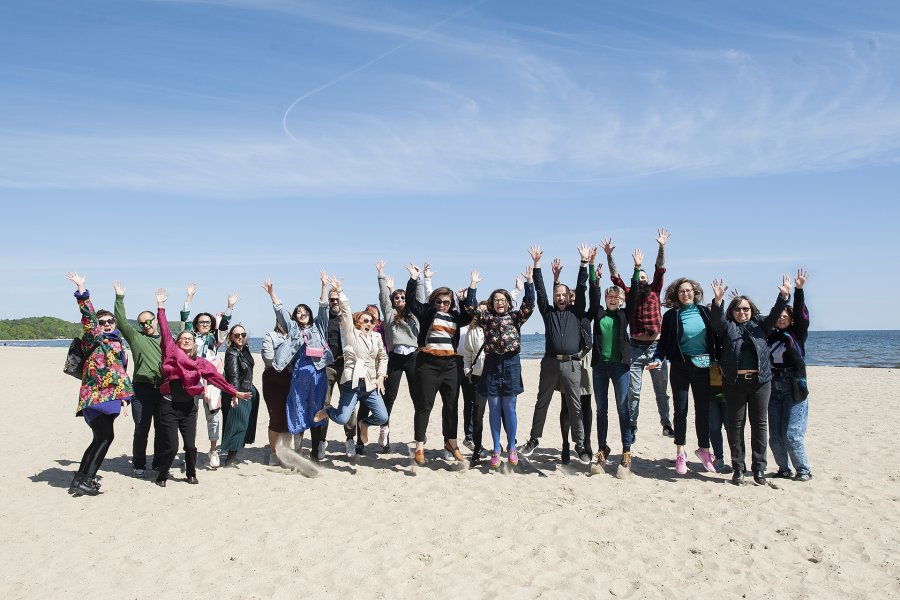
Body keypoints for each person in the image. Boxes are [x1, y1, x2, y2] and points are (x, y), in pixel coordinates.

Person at [154, 289, 249, 487]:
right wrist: (161, 307)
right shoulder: (171, 352)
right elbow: (165, 329)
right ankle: (162, 474)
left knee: (192, 443)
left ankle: (192, 472)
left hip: (189, 405)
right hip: (169, 404)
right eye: (184, 337)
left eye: (190, 338)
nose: (187, 339)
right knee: (172, 446)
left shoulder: (201, 360)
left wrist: (234, 391)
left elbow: (216, 377)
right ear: (178, 341)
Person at [710, 276, 790, 486]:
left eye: (745, 309)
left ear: (751, 310)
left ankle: (759, 469)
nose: (742, 312)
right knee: (735, 426)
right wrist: (717, 301)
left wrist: (783, 296)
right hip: (734, 383)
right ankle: (738, 468)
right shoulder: (727, 327)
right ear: (732, 311)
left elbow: (774, 314)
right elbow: (716, 322)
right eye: (738, 309)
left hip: (760, 382)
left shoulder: (762, 325)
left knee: (759, 425)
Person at [520, 245, 593, 465]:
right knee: (542, 402)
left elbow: (582, 288)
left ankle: (579, 445)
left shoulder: (576, 311)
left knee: (575, 405)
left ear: (568, 298)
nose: (560, 297)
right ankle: (533, 439)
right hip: (550, 364)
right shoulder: (548, 313)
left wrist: (583, 262)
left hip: (572, 365)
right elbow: (541, 291)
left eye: (563, 295)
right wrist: (537, 265)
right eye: (557, 295)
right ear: (554, 297)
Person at [65, 273, 134, 496]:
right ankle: (86, 478)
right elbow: (88, 317)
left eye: (109, 321)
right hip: (96, 396)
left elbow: (120, 373)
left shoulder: (118, 344)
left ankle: (81, 477)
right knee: (105, 437)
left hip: (110, 397)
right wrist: (82, 291)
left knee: (100, 437)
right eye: (102, 322)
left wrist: (125, 398)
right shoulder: (95, 338)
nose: (105, 325)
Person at [603, 228, 674, 438]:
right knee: (633, 393)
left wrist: (662, 246)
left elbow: (660, 269)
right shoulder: (630, 294)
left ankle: (666, 423)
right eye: (639, 277)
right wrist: (609, 256)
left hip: (656, 348)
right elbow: (615, 278)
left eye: (644, 277)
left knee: (661, 391)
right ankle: (632, 426)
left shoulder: (655, 290)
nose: (642, 280)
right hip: (634, 348)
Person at [405, 263, 477, 465]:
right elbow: (411, 301)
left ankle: (451, 443)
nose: (442, 305)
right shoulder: (427, 312)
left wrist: (467, 294)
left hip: (450, 365)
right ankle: (419, 447)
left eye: (446, 302)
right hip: (427, 364)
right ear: (433, 300)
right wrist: (414, 279)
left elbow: (470, 314)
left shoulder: (456, 316)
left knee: (451, 406)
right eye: (439, 301)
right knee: (424, 406)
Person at [648, 277, 717, 475]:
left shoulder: (705, 312)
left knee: (702, 410)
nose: (685, 294)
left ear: (695, 293)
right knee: (681, 410)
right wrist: (659, 358)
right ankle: (680, 452)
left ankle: (704, 450)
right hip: (680, 366)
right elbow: (664, 343)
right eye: (681, 291)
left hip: (703, 366)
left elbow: (716, 337)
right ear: (676, 295)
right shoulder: (672, 315)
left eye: (688, 291)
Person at [468, 266, 535, 468]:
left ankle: (511, 448)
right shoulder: (486, 319)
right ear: (491, 303)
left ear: (508, 303)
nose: (499, 303)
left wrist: (529, 282)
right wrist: (473, 286)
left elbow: (530, 304)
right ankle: (496, 449)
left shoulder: (516, 317)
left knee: (510, 408)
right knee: (494, 408)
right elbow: (470, 308)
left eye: (503, 300)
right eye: (496, 300)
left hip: (511, 363)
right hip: (491, 364)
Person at [264, 274, 334, 462]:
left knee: (317, 409)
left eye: (305, 312)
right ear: (295, 316)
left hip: (318, 373)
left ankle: (316, 450)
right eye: (298, 312)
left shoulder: (319, 327)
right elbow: (280, 313)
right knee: (298, 409)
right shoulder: (293, 329)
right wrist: (272, 294)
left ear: (310, 314)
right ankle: (298, 450)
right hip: (299, 374)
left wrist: (324, 286)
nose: (302, 314)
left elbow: (324, 307)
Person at [313, 277, 389, 447]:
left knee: (383, 417)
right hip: (352, 383)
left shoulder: (377, 337)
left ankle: (364, 424)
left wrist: (381, 376)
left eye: (371, 321)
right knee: (341, 418)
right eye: (365, 320)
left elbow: (383, 357)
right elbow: (346, 310)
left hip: (370, 384)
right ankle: (328, 411)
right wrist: (339, 291)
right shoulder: (351, 334)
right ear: (358, 323)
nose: (368, 323)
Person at [179, 283, 238, 468]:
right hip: (191, 381)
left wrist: (230, 307)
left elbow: (225, 327)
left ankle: (214, 449)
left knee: (213, 416)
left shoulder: (215, 339)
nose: (205, 324)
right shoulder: (189, 336)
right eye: (201, 322)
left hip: (211, 382)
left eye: (207, 322)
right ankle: (191, 450)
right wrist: (189, 298)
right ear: (196, 324)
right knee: (190, 416)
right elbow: (185, 319)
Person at [587, 250, 635, 473]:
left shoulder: (624, 315)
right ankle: (602, 449)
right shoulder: (599, 314)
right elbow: (593, 293)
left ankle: (626, 450)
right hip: (600, 367)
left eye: (616, 297)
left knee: (622, 408)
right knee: (601, 410)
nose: (613, 299)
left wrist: (636, 269)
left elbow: (633, 295)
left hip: (620, 368)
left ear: (621, 299)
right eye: (610, 297)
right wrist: (592, 267)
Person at [368, 260, 424, 453]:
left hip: (413, 357)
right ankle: (385, 432)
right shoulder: (390, 315)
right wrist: (381, 275)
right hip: (395, 358)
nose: (400, 299)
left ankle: (420, 441)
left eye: (402, 297)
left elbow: (420, 297)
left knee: (418, 398)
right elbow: (384, 296)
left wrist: (417, 279)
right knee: (388, 398)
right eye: (397, 297)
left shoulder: (414, 315)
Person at [113, 280, 162, 478]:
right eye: (141, 323)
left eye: (148, 321)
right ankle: (139, 463)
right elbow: (121, 321)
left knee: (162, 428)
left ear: (156, 320)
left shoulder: (167, 338)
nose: (145, 325)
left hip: (162, 389)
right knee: (141, 428)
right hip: (141, 390)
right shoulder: (136, 337)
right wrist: (119, 298)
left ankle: (158, 462)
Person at [768, 268, 812, 482]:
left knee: (792, 434)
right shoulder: (769, 336)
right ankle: (783, 469)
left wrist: (799, 290)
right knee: (775, 436)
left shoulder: (797, 334)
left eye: (786, 316)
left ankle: (803, 470)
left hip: (794, 386)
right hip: (772, 386)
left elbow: (802, 316)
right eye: (779, 316)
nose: (782, 319)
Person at [220, 324, 259, 466]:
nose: (240, 337)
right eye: (237, 335)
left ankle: (233, 456)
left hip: (247, 390)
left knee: (242, 423)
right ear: (231, 337)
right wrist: (235, 395)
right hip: (239, 392)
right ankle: (230, 459)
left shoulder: (245, 350)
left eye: (243, 334)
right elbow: (233, 375)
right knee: (237, 424)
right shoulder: (232, 353)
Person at [261, 319, 291, 465]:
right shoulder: (270, 336)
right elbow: (268, 359)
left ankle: (285, 452)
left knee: (289, 419)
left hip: (291, 379)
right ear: (277, 322)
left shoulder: (296, 335)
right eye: (281, 321)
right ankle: (273, 452)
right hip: (273, 380)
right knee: (276, 417)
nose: (285, 324)